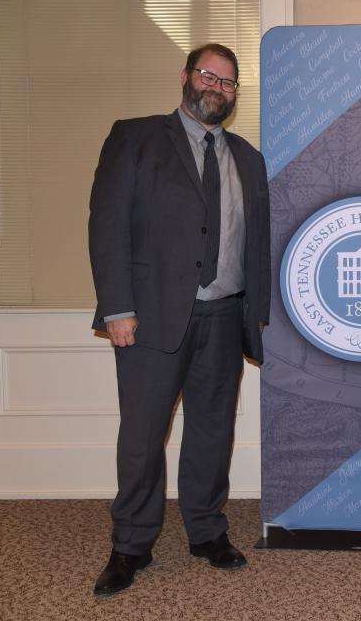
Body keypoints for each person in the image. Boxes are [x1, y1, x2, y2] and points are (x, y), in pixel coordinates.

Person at [88, 43, 271, 596]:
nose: (218, 88)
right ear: (187, 77)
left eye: (229, 83)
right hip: (149, 319)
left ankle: (207, 531)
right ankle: (131, 544)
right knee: (143, 434)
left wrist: (254, 313)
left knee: (213, 431)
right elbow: (107, 226)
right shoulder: (136, 137)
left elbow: (255, 242)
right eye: (210, 77)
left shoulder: (247, 156)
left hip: (224, 316)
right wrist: (117, 308)